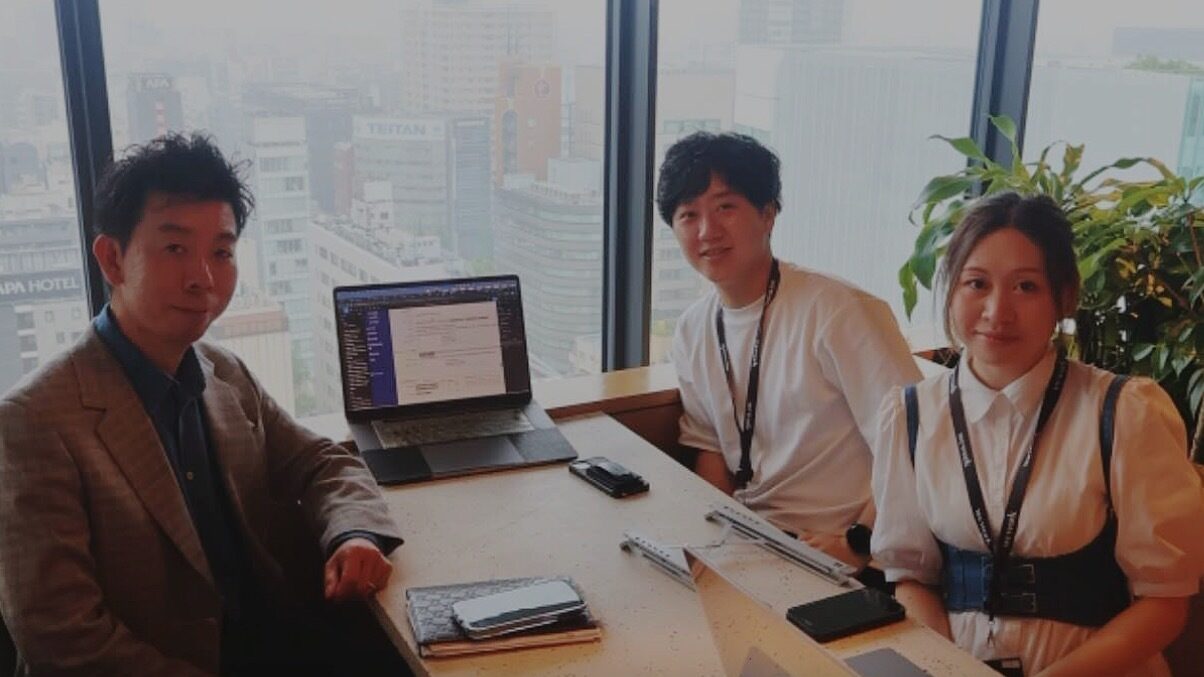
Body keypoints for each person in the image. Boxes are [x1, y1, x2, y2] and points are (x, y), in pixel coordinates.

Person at [0, 134, 407, 676]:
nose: (204, 279)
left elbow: (321, 461)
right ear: (112, 259)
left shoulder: (221, 370)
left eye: (222, 252)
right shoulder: (34, 421)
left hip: (280, 642)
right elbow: (61, 637)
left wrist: (353, 533)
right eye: (175, 249)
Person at [871, 192, 1204, 676]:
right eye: (977, 283)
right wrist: (945, 669)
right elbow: (912, 579)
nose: (997, 311)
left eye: (1025, 286)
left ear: (1063, 297)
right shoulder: (911, 415)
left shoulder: (1123, 413)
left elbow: (1166, 603)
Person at [658, 131, 921, 570]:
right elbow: (711, 451)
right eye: (688, 214)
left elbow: (914, 442)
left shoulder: (838, 311)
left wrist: (858, 542)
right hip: (754, 545)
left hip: (842, 550)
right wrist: (711, 548)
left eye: (725, 207)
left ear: (768, 214)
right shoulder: (692, 330)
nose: (707, 231)